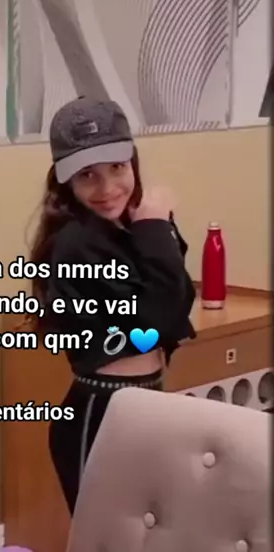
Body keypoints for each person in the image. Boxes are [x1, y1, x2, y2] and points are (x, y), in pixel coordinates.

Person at [29, 96, 197, 515]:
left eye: (117, 168)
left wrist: (155, 228)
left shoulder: (126, 227)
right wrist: (156, 227)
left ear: (132, 163)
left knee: (145, 538)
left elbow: (178, 303)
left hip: (143, 402)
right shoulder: (77, 243)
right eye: (88, 175)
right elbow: (159, 320)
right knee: (106, 540)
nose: (107, 190)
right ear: (65, 182)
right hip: (102, 412)